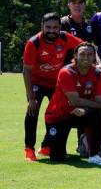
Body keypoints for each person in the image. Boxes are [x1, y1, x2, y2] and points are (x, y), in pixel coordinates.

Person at [22, 12, 82, 160]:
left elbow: (84, 46)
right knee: (32, 112)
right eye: (48, 27)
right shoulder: (33, 42)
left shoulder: (65, 37)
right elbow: (26, 70)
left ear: (60, 27)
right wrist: (31, 98)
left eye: (55, 27)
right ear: (42, 26)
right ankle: (29, 148)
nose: (51, 31)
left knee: (59, 115)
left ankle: (46, 146)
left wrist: (98, 62)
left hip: (57, 84)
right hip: (37, 82)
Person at [43, 42, 101, 165]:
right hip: (59, 116)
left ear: (94, 56)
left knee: (100, 113)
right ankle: (48, 143)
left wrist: (89, 110)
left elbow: (98, 100)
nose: (86, 57)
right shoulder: (66, 72)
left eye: (90, 54)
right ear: (76, 55)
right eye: (82, 54)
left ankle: (94, 154)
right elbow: (75, 101)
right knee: (57, 158)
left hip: (81, 113)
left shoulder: (98, 73)